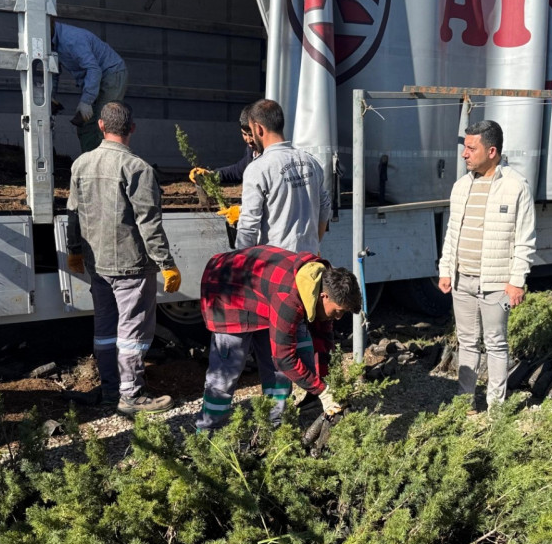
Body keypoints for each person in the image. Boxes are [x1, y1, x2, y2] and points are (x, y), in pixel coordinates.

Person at [66, 101, 181, 416]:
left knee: (104, 328)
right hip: (131, 265)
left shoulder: (81, 164)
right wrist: (166, 264)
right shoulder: (138, 169)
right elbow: (149, 223)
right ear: (132, 128)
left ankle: (110, 390)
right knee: (132, 331)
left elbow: (72, 214)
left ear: (101, 126)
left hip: (97, 264)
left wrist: (74, 249)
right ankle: (131, 395)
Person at [196, 244, 361, 431]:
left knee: (278, 374)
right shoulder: (290, 297)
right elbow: (284, 357)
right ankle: (206, 435)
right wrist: (322, 391)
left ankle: (274, 429)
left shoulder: (324, 283)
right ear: (324, 296)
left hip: (261, 294)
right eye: (338, 312)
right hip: (226, 289)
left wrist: (326, 380)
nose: (338, 318)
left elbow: (323, 336)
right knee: (226, 373)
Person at [437, 120, 536, 411]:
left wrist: (517, 280)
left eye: (471, 148)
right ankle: (464, 404)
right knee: (466, 342)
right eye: (464, 147)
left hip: (496, 284)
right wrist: (446, 269)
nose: (464, 154)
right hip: (462, 280)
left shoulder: (516, 186)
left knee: (495, 344)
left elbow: (525, 238)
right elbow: (452, 232)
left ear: (491, 151)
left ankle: (496, 409)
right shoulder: (461, 186)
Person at [234, 99, 331, 254]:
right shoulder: (311, 161)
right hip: (309, 264)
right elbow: (325, 207)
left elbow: (248, 227)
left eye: (251, 131)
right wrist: (313, 245)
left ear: (259, 129)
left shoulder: (258, 169)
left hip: (276, 267)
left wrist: (239, 266)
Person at [51, 20, 129, 154]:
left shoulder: (72, 40)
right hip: (93, 80)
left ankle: (106, 166)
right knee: (85, 127)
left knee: (104, 122)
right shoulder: (50, 43)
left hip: (111, 73)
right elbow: (53, 73)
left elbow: (94, 69)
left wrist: (86, 101)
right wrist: (50, 97)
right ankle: (91, 164)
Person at [188, 106, 259, 225]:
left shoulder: (270, 159)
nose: (248, 140)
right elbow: (239, 170)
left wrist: (243, 211)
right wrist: (211, 175)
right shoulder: (252, 150)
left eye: (251, 135)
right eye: (244, 134)